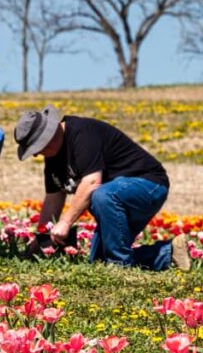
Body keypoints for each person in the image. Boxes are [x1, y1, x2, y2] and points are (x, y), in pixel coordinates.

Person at [14, 105, 190, 271]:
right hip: (116, 197)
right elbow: (54, 197)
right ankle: (169, 253)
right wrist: (40, 239)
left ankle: (119, 265)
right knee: (99, 262)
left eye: (36, 148)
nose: (36, 154)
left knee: (100, 194)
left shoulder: (83, 134)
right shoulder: (53, 158)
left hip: (148, 185)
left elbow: (92, 182)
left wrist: (65, 222)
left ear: (49, 136)